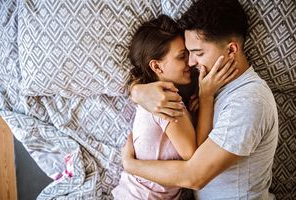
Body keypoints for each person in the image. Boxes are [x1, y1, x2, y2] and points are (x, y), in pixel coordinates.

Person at [122, 0, 279, 199]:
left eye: (198, 53)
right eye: (187, 54)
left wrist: (131, 165)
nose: (191, 62)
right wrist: (137, 90)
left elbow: (195, 176)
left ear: (231, 50)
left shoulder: (249, 102)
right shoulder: (209, 83)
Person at [112, 14, 237, 199]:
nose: (190, 62)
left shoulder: (158, 95)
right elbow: (196, 157)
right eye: (181, 57)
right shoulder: (165, 100)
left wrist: (195, 115)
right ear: (156, 66)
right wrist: (206, 98)